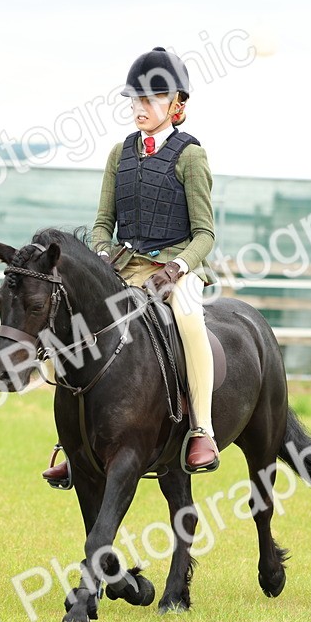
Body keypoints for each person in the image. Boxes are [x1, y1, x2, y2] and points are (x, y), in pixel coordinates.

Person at [42, 45, 220, 486]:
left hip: (176, 268)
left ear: (176, 105)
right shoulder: (118, 155)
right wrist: (102, 256)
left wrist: (177, 269)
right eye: (135, 100)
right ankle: (74, 442)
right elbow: (103, 224)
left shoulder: (191, 156)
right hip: (123, 268)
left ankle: (201, 428)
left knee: (189, 320)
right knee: (72, 325)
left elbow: (206, 235)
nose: (140, 108)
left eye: (150, 100)